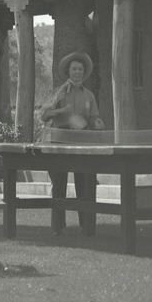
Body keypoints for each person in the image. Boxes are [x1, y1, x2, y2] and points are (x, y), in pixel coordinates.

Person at [38, 50, 104, 236]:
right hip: (59, 146)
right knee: (58, 186)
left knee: (84, 185)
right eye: (74, 69)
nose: (77, 72)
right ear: (68, 71)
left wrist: (97, 123)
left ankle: (86, 226)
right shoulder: (59, 93)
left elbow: (93, 118)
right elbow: (43, 115)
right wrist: (62, 111)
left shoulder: (89, 95)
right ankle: (58, 228)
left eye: (80, 69)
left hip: (82, 147)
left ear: (84, 72)